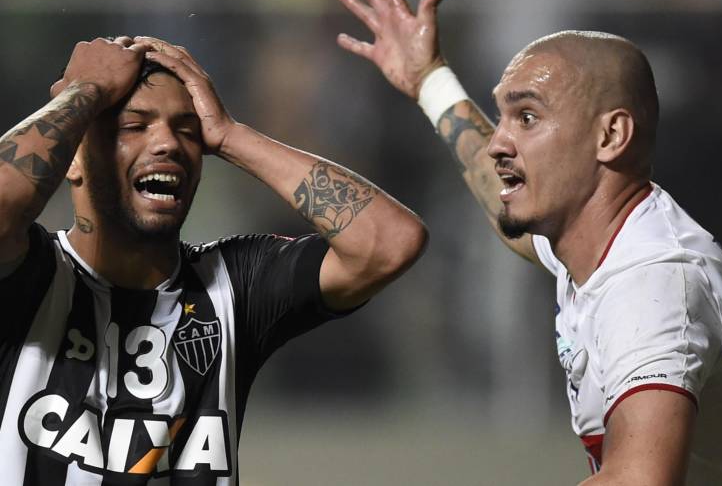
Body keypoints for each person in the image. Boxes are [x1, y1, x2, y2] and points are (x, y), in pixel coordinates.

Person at [337, 0, 722, 485]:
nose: (500, 142)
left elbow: (638, 481)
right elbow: (508, 205)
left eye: (527, 117)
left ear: (611, 136)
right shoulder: (599, 235)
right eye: (503, 117)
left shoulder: (654, 285)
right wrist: (430, 81)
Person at [0, 35, 427, 485]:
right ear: (73, 159)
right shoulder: (30, 274)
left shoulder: (233, 285)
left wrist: (230, 135)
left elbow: (392, 242)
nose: (167, 143)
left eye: (188, 130)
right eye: (134, 126)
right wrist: (86, 92)